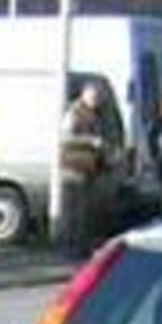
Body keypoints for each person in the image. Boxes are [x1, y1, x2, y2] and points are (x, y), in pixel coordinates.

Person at [58, 79, 118, 250]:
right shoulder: (74, 113)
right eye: (94, 96)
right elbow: (65, 138)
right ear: (85, 94)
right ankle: (68, 245)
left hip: (89, 168)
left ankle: (80, 244)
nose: (97, 100)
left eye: (99, 97)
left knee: (85, 211)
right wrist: (91, 141)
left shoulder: (96, 114)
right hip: (73, 167)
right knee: (72, 211)